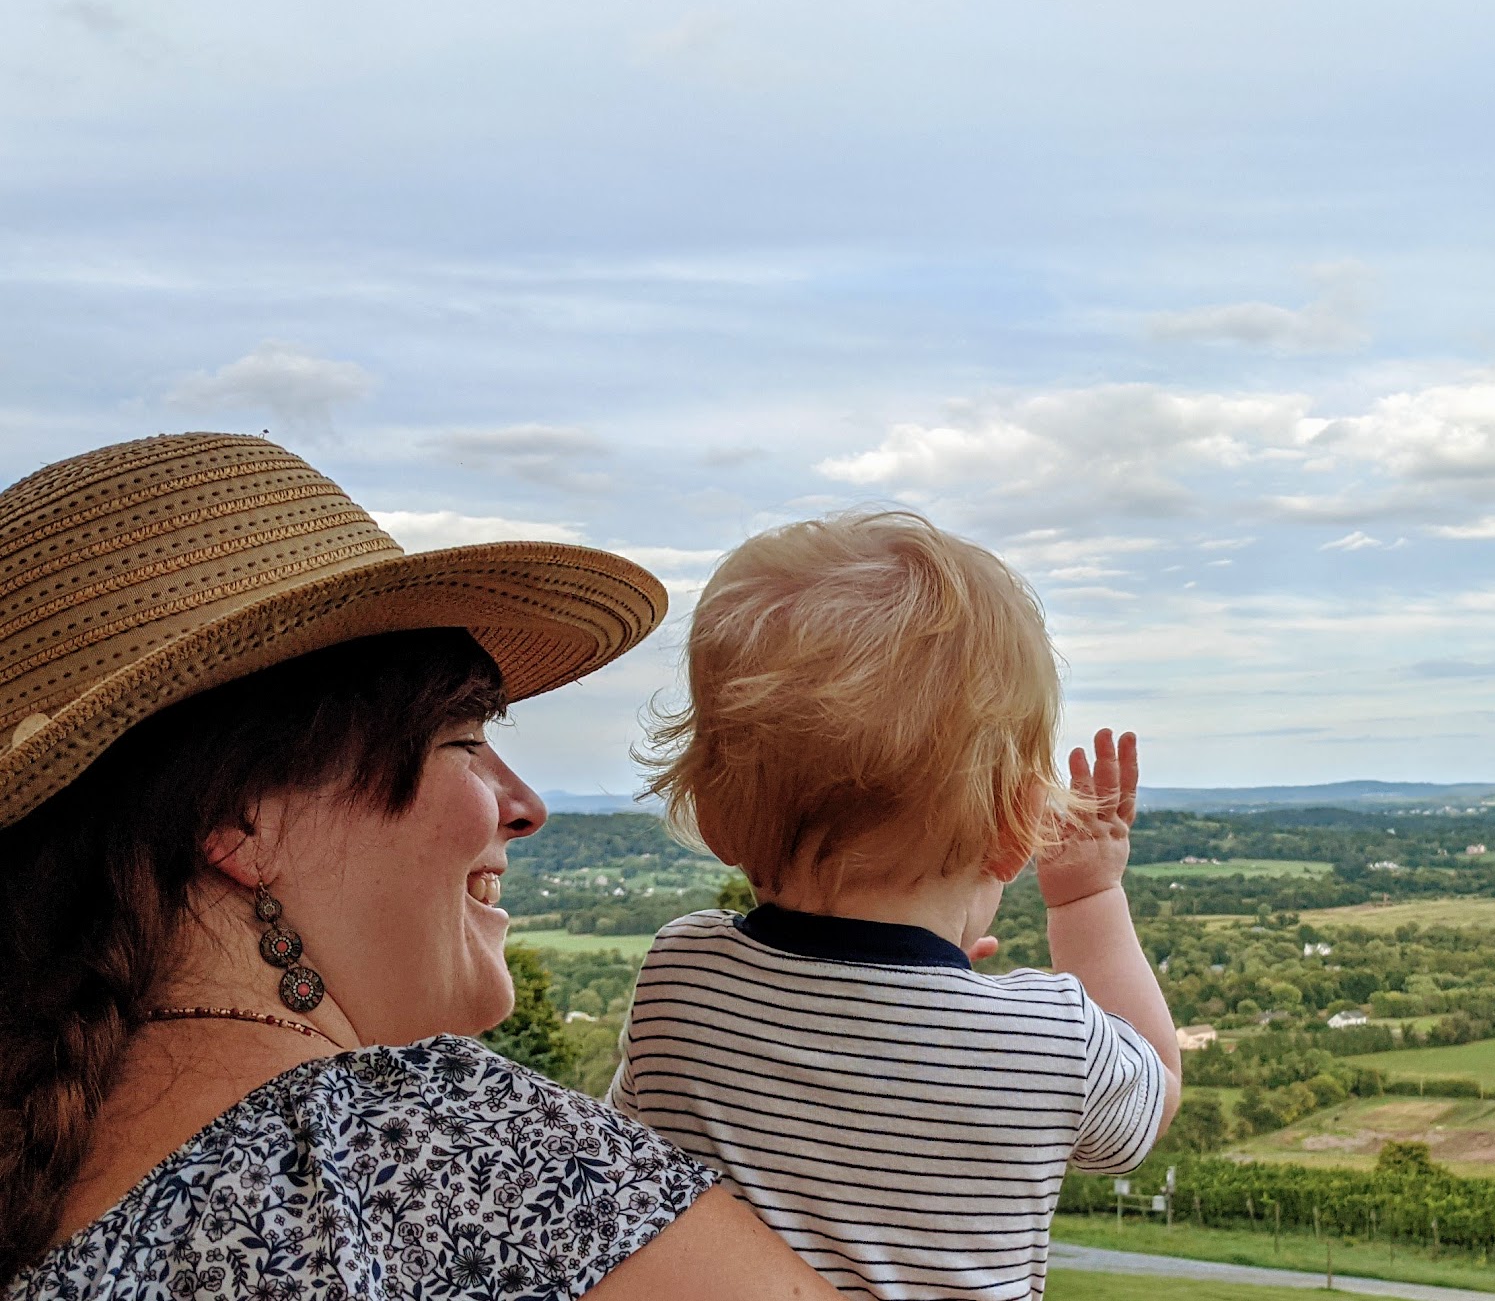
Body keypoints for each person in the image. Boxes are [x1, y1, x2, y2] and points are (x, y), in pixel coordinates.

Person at [0, 432, 841, 1299]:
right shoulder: (427, 1150)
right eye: (463, 738)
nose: (526, 805)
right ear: (242, 819)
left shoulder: (36, 1171)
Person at [612, 510, 1181, 1301]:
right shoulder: (1052, 1043)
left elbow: (634, 1149)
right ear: (1019, 827)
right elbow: (1156, 1086)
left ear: (715, 813)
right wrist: (1088, 895)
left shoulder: (680, 978)